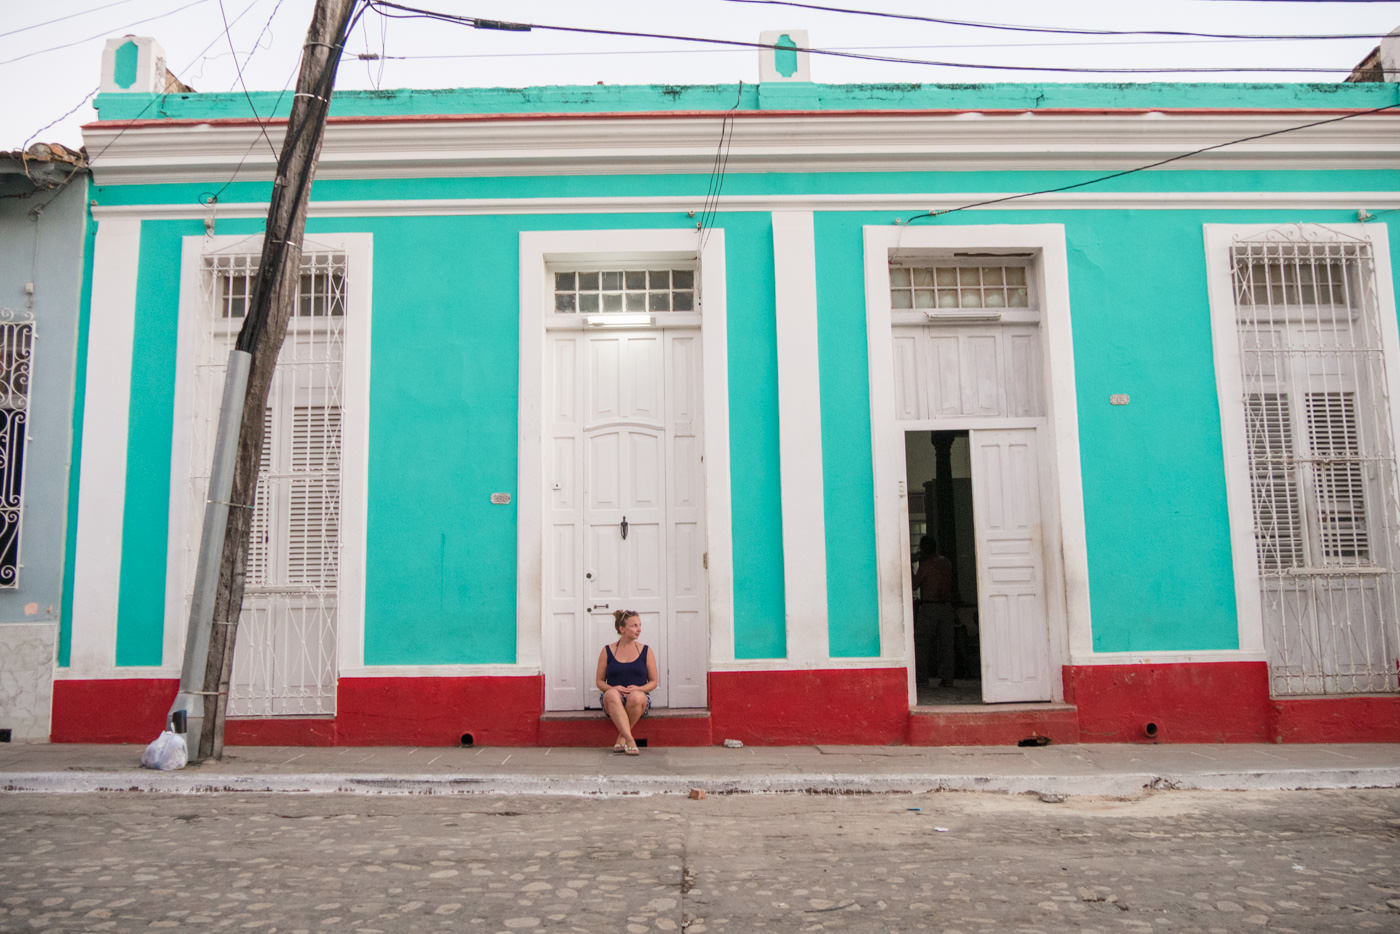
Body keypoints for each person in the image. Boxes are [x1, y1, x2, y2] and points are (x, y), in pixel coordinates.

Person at [595, 608, 658, 755]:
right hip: (613, 700)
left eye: (639, 625)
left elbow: (654, 682)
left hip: (638, 698)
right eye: (634, 625)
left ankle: (622, 737)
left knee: (635, 697)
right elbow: (599, 682)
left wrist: (640, 688)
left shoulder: (646, 650)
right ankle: (630, 739)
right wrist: (613, 688)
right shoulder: (607, 650)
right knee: (610, 694)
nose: (639, 629)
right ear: (621, 629)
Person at [912, 535, 956, 687]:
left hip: (930, 607)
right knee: (946, 644)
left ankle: (922, 678)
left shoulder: (926, 565)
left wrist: (911, 566)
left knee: (921, 644)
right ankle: (947, 678)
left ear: (923, 549)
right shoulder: (946, 562)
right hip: (947, 606)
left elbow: (914, 585)